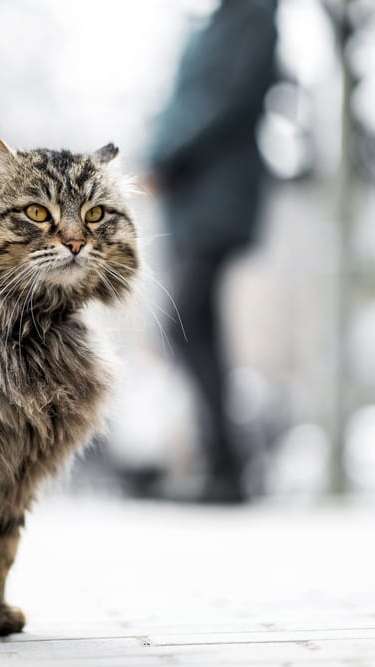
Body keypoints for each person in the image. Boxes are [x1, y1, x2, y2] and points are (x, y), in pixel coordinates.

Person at [146, 0, 278, 503]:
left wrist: (165, 154)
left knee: (183, 319)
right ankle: (226, 466)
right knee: (197, 324)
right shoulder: (218, 20)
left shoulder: (254, 15)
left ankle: (229, 463)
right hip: (193, 200)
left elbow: (224, 98)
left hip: (217, 194)